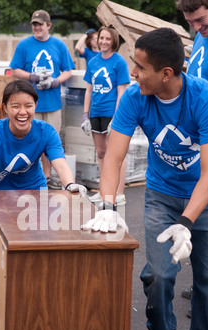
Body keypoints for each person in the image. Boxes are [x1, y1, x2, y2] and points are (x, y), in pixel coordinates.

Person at [82, 28, 208, 330]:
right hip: (161, 194)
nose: (132, 72)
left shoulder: (206, 100)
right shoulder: (134, 97)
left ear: (167, 74)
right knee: (159, 275)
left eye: (139, 67)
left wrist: (187, 221)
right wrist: (108, 205)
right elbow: (113, 156)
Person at [0, 79, 86, 206]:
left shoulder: (46, 132)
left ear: (35, 105)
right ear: (5, 108)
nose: (22, 112)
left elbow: (61, 164)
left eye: (28, 106)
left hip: (35, 191)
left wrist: (70, 184)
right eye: (15, 106)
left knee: (41, 225)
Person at [176, 0, 208, 317]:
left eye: (201, 20)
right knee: (204, 211)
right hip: (204, 137)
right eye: (190, 22)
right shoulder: (204, 34)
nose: (196, 27)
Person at [9, 10, 75, 190]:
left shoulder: (59, 45)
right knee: (29, 140)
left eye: (40, 24)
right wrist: (32, 76)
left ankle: (47, 177)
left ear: (48, 25)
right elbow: (14, 70)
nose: (37, 27)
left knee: (49, 141)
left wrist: (56, 81)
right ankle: (28, 177)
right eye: (34, 24)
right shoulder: (24, 45)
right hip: (30, 105)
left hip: (52, 103)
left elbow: (68, 70)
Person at [81, 26, 130, 206]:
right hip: (96, 112)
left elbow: (121, 91)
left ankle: (118, 193)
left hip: (112, 112)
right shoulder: (93, 62)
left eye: (108, 39)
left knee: (116, 154)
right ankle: (104, 191)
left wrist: (117, 117)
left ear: (113, 41)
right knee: (101, 153)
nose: (104, 42)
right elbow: (88, 90)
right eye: (101, 38)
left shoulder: (119, 62)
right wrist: (85, 114)